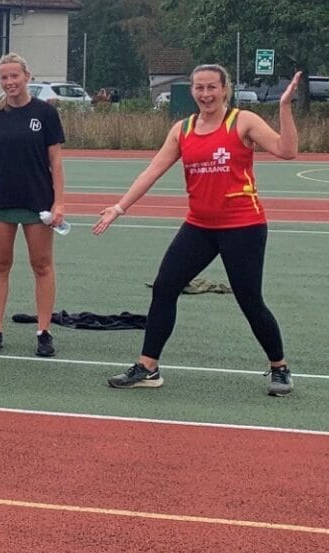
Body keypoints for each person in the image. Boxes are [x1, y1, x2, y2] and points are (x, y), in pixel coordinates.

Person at [94, 66, 302, 396]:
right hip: (200, 226)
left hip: (243, 226)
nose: (205, 94)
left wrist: (285, 108)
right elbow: (153, 170)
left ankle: (279, 367)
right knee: (164, 287)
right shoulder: (183, 129)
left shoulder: (242, 121)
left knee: (250, 300)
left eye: (212, 88)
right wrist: (119, 207)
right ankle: (148, 367)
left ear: (225, 90)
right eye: (199, 88)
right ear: (192, 91)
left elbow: (287, 150)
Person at [0, 52, 64, 357]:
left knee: (42, 265)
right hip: (1, 202)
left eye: (15, 76)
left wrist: (59, 203)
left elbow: (55, 160)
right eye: (4, 77)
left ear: (27, 76)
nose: (10, 82)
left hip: (38, 202)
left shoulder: (47, 114)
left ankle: (44, 331)